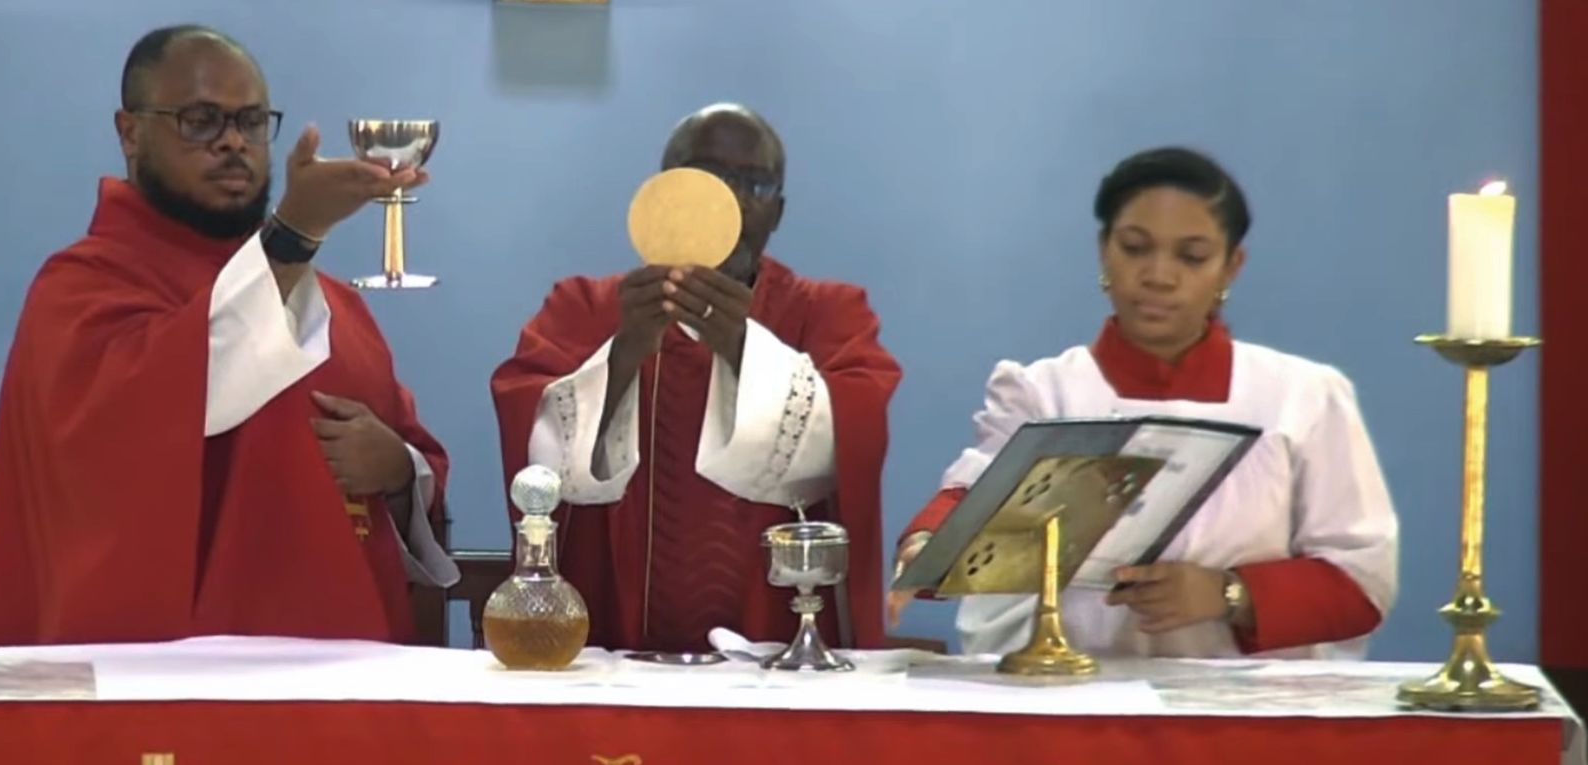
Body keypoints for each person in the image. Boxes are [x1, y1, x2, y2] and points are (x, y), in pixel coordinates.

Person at [0, 25, 457, 646]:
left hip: (343, 663)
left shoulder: (334, 303)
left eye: (252, 121)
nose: (233, 142)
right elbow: (170, 403)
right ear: (129, 133)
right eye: (200, 120)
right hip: (170, 675)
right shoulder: (83, 288)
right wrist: (293, 234)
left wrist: (399, 469)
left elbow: (412, 463)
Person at [890, 147, 1397, 659]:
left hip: (1245, 717)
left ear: (1230, 266)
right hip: (1068, 706)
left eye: (1192, 256)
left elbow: (1360, 582)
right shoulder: (1043, 392)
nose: (1158, 275)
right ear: (1103, 250)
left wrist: (1228, 594)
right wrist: (926, 548)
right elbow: (972, 501)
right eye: (1135, 248)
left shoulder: (1303, 396)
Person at [491, 104, 902, 653]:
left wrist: (740, 345)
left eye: (751, 183)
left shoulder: (828, 313)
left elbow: (854, 432)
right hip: (609, 638)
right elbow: (536, 455)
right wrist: (623, 353)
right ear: (664, 192)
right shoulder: (583, 307)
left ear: (777, 211)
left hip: (777, 644)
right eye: (706, 178)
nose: (727, 201)